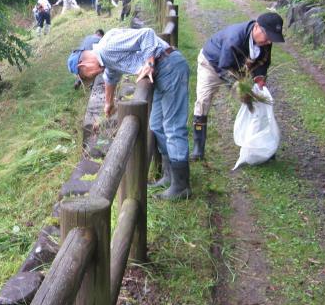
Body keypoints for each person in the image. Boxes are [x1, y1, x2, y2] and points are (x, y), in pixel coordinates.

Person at [69, 27, 192, 200]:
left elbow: (147, 34)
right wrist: (108, 103)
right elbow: (110, 78)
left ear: (84, 65)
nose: (94, 75)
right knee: (156, 125)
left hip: (169, 67)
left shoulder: (107, 47)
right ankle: (169, 175)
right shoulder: (106, 59)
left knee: (173, 127)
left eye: (87, 75)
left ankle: (181, 186)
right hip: (161, 74)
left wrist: (149, 63)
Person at [191, 12, 285, 161]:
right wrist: (239, 88)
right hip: (212, 64)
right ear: (257, 27)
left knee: (257, 102)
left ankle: (260, 144)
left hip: (240, 67)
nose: (268, 42)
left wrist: (259, 79)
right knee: (203, 101)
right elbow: (224, 68)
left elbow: (263, 63)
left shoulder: (265, 41)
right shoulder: (234, 39)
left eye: (272, 39)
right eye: (267, 37)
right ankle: (198, 148)